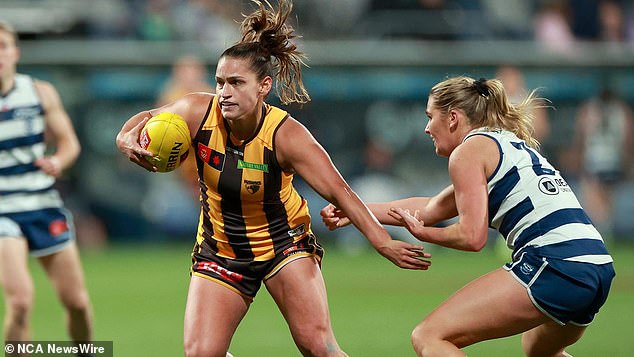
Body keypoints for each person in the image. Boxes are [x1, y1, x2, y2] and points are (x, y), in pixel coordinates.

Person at [115, 1, 431, 356]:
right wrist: (124, 138)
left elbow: (340, 190)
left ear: (264, 85)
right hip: (222, 249)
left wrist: (381, 241)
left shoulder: (287, 136)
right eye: (219, 82)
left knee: (318, 347)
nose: (224, 92)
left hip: (284, 244)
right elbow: (146, 118)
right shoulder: (195, 111)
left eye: (236, 82)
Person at [322, 76, 615, 356]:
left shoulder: (468, 152)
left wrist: (424, 234)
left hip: (555, 263)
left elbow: (472, 237)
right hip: (597, 266)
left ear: (452, 118)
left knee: (430, 336)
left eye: (430, 116)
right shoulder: (503, 144)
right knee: (539, 349)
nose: (426, 128)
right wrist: (355, 210)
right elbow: (429, 209)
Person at [0, 21, 93, 347]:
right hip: (3, 212)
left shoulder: (39, 92)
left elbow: (70, 143)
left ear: (15, 52)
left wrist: (58, 161)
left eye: (3, 46)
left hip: (42, 204)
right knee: (21, 301)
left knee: (77, 303)